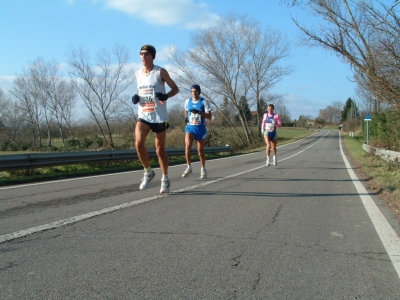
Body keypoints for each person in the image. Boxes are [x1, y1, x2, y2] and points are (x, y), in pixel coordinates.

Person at [132, 45, 179, 194]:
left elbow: (175, 89)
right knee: (138, 143)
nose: (143, 57)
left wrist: (166, 96)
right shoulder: (138, 74)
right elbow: (141, 88)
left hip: (159, 116)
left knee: (160, 151)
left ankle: (165, 179)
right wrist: (136, 96)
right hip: (144, 114)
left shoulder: (160, 72)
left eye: (146, 54)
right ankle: (148, 171)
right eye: (141, 54)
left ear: (152, 56)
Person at [181, 85, 212, 179]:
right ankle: (189, 167)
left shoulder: (204, 102)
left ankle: (203, 169)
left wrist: (199, 113)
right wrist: (186, 118)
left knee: (200, 151)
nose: (193, 93)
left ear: (199, 92)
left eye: (195, 91)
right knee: (187, 146)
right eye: (192, 91)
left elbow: (209, 116)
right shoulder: (188, 101)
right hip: (190, 127)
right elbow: (186, 111)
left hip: (200, 128)